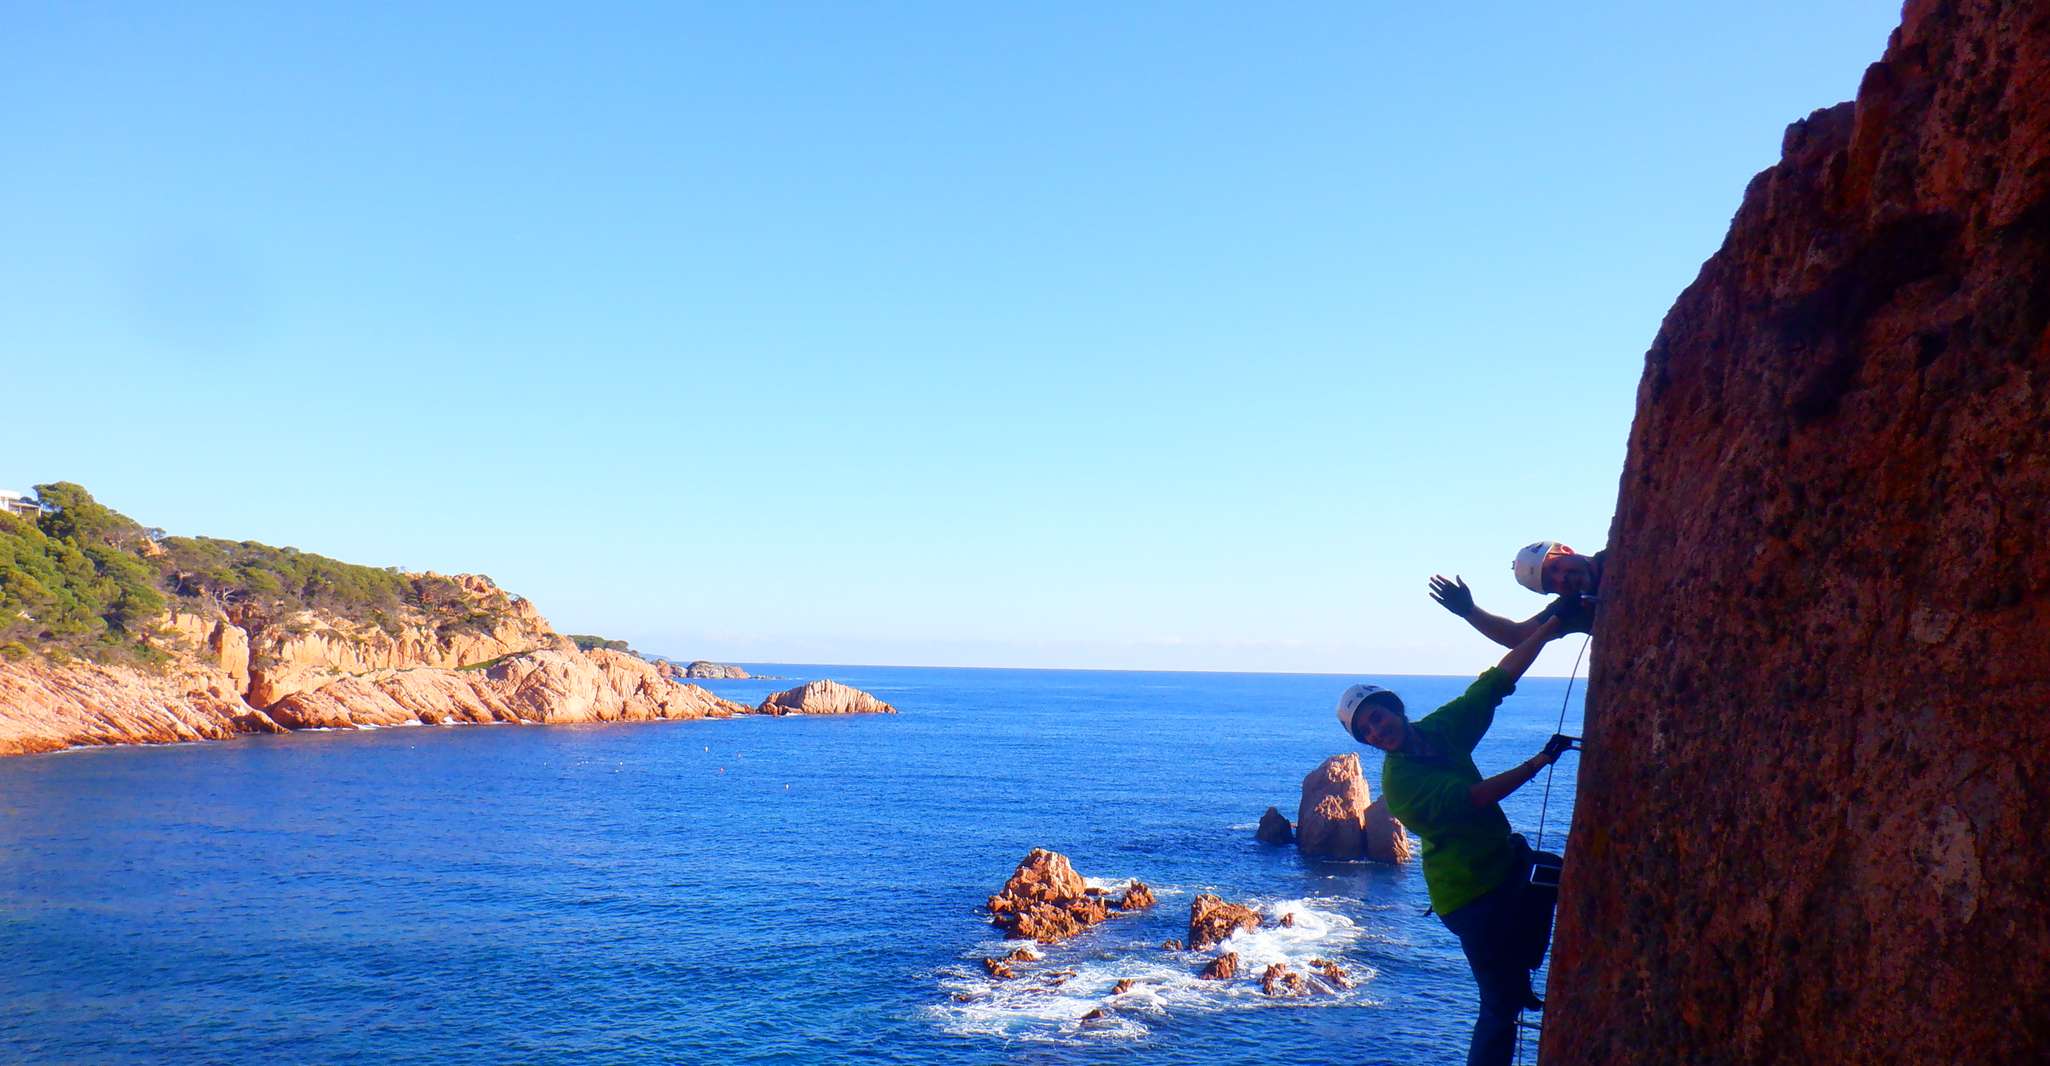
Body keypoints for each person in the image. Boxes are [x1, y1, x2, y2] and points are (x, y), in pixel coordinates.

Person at [1335, 618, 1576, 1066]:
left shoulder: (1439, 730)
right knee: (1498, 1010)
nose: (1375, 731)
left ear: (1394, 708)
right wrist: (1541, 760)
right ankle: (1514, 978)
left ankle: (1520, 970)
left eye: (1376, 717)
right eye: (1365, 731)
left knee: (1548, 873)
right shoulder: (1401, 782)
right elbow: (1476, 798)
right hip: (1469, 898)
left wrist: (1545, 631)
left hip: (1501, 865)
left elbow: (1493, 685)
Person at [1428, 540, 1606, 647]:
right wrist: (1469, 611)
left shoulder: (1617, 553)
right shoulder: (1572, 608)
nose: (1561, 579)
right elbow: (1516, 636)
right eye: (1551, 584)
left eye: (1555, 566)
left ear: (1566, 550)